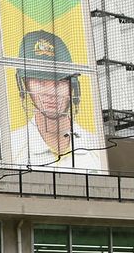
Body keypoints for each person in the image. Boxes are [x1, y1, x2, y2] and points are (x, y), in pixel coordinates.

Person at [11, 30, 102, 170]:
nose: (51, 93)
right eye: (40, 81)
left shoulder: (97, 147)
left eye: (59, 82)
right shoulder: (12, 148)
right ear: (23, 85)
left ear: (73, 86)